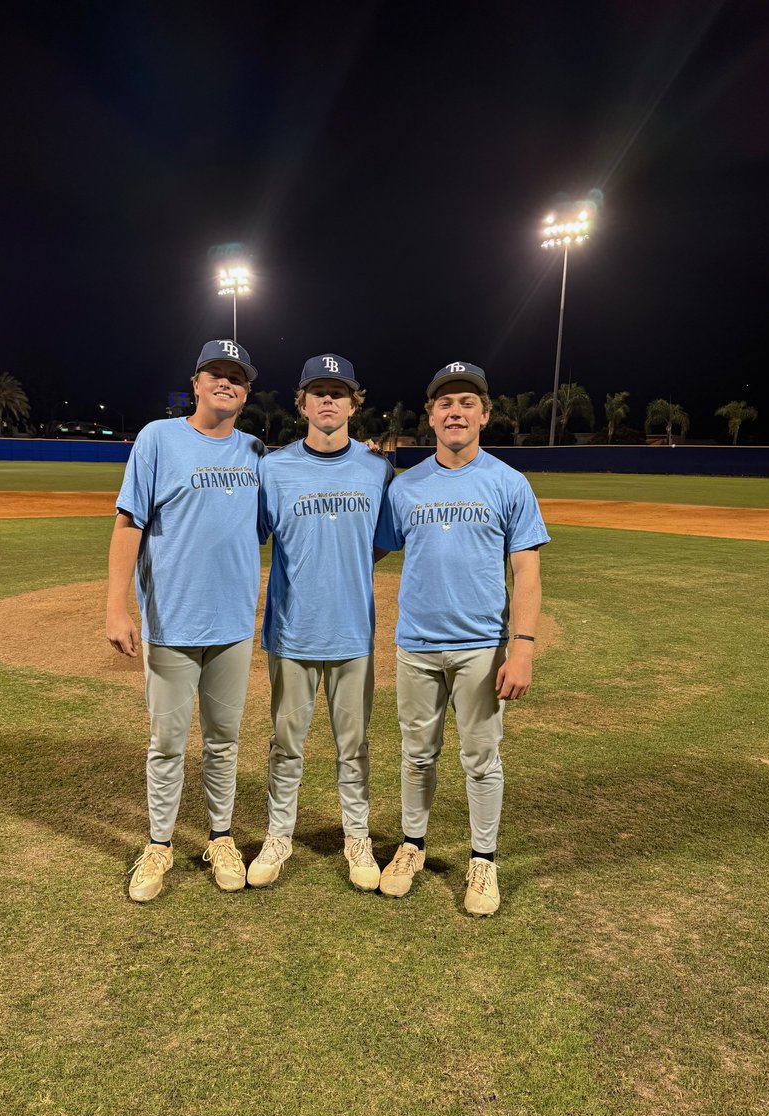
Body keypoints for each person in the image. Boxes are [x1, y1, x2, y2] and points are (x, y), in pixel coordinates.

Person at [375, 360, 549, 916]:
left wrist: (522, 647)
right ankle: (412, 846)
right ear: (431, 416)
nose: (456, 412)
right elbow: (371, 551)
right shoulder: (405, 486)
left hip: (481, 647)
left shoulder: (508, 483)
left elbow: (526, 573)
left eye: (467, 402)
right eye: (445, 403)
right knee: (416, 755)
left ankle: (483, 859)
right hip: (416, 645)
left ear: (484, 415)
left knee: (481, 759)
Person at [106, 339, 266, 902]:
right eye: (215, 373)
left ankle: (220, 837)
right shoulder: (158, 438)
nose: (226, 383)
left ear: (246, 393)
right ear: (196, 383)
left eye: (237, 377)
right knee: (167, 743)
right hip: (172, 622)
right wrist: (117, 606)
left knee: (224, 742)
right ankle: (159, 844)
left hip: (232, 625)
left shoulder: (256, 451)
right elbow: (129, 523)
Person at [246, 354, 393, 891]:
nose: (328, 400)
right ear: (303, 404)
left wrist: (345, 564)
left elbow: (383, 539)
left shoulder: (377, 468)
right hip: (292, 633)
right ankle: (278, 835)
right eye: (318, 392)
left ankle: (358, 836)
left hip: (353, 633)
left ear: (354, 404)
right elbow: (251, 536)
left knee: (354, 746)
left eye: (339, 392)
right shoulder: (273, 469)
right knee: (286, 744)